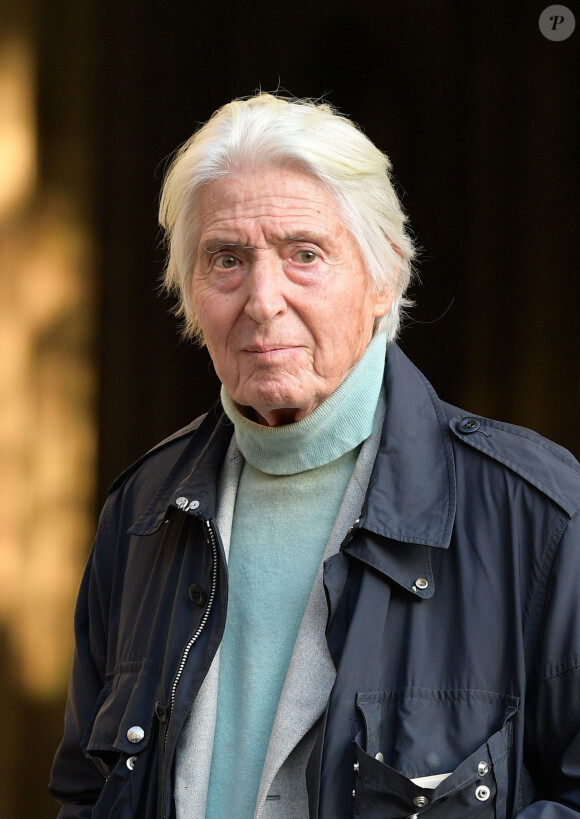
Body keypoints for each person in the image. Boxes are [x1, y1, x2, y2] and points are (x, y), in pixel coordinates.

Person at [50, 93, 580, 819]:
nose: (263, 300)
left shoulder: (541, 514)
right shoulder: (141, 515)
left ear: (383, 274)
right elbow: (85, 792)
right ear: (191, 293)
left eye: (304, 254)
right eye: (226, 260)